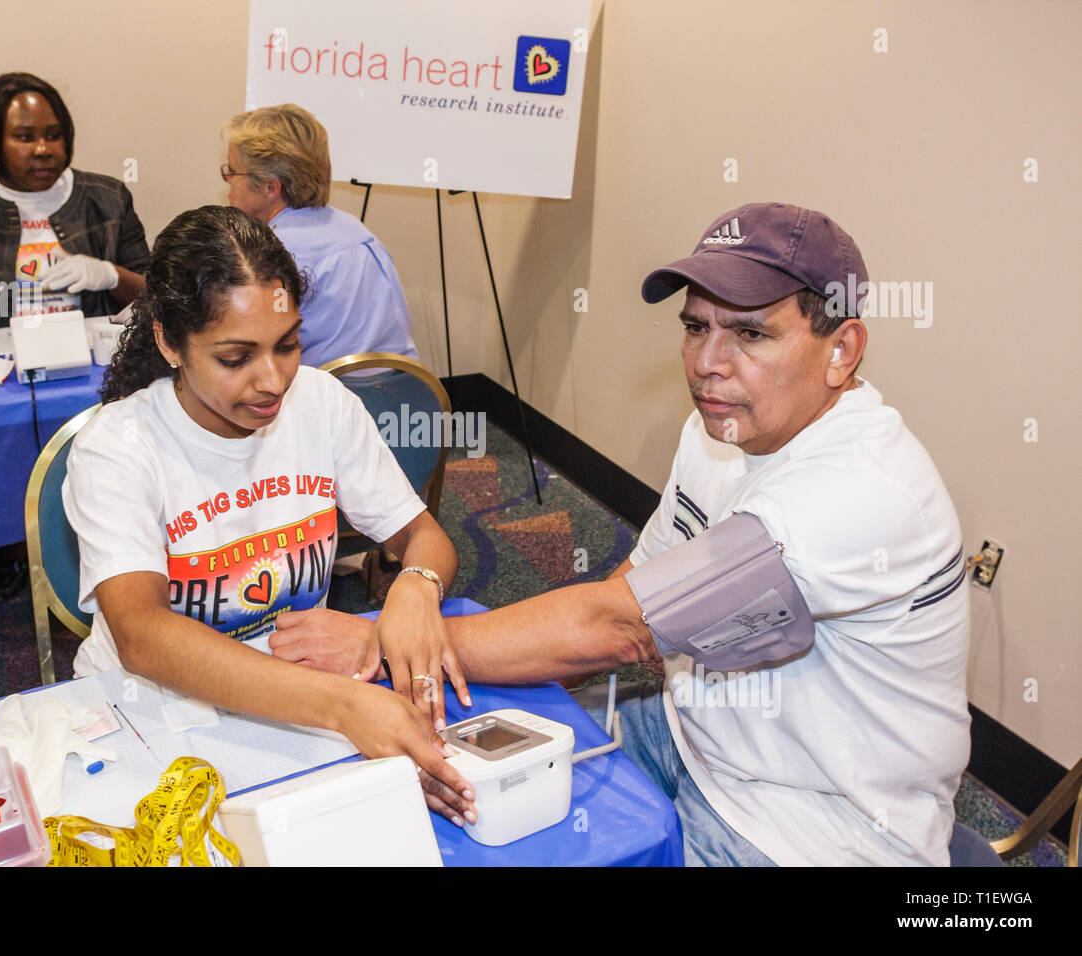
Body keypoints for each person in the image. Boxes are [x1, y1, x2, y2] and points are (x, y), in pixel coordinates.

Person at [273, 202, 971, 865]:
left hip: (809, 825)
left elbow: (623, 629)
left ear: (841, 349)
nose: (706, 362)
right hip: (689, 736)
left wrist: (385, 643)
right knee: (437, 790)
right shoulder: (719, 429)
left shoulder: (861, 492)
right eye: (697, 328)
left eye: (751, 334)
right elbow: (629, 588)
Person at [62, 205, 475, 819]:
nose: (273, 381)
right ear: (169, 342)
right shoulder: (119, 448)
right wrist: (339, 706)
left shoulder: (321, 402)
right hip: (152, 709)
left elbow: (423, 536)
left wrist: (416, 585)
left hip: (297, 695)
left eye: (287, 345)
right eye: (236, 358)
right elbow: (143, 639)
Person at [0, 72, 149, 333]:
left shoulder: (108, 198)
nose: (43, 149)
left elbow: (155, 294)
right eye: (25, 138)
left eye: (54, 136)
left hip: (94, 354)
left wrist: (110, 275)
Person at [222, 103, 418, 366]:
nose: (228, 181)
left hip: (324, 401)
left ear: (270, 187)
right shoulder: (361, 235)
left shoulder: (266, 256)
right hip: (402, 394)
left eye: (232, 171)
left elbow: (244, 354)